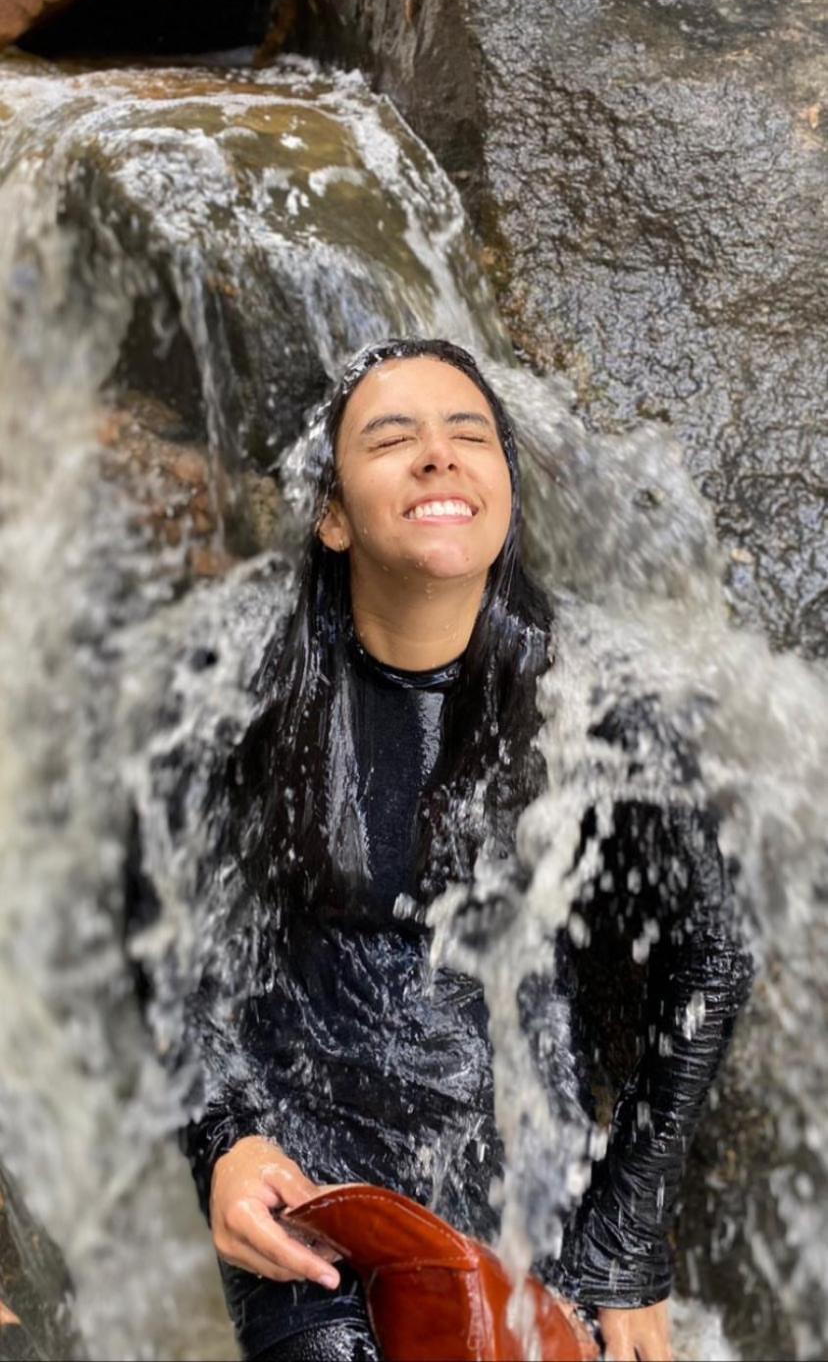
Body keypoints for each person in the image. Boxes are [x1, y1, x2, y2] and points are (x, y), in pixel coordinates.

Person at [174, 338, 753, 1362]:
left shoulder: (595, 693)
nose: (438, 455)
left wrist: (623, 1231)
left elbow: (711, 953)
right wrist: (221, 1140)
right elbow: (158, 927)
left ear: (506, 497)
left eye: (469, 434)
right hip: (307, 1162)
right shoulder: (240, 686)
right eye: (392, 437)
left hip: (530, 1146)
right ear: (335, 513)